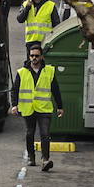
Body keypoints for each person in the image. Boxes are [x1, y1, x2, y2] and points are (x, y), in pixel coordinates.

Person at [11, 42, 63, 172]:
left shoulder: (49, 71)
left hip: (44, 108)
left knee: (45, 134)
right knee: (30, 133)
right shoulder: (21, 72)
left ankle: (45, 159)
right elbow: (15, 90)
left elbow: (55, 89)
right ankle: (31, 156)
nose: (34, 58)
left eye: (37, 56)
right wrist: (14, 105)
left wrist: (60, 106)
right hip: (28, 108)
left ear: (41, 57)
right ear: (29, 57)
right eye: (32, 56)